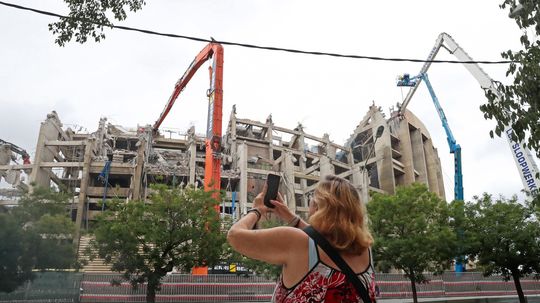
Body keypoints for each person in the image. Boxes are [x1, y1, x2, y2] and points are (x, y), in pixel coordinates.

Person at [227, 174, 376, 302]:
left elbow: (235, 236)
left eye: (312, 196)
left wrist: (257, 210)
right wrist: (289, 216)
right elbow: (322, 244)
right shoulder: (365, 250)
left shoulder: (296, 241)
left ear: (318, 206)